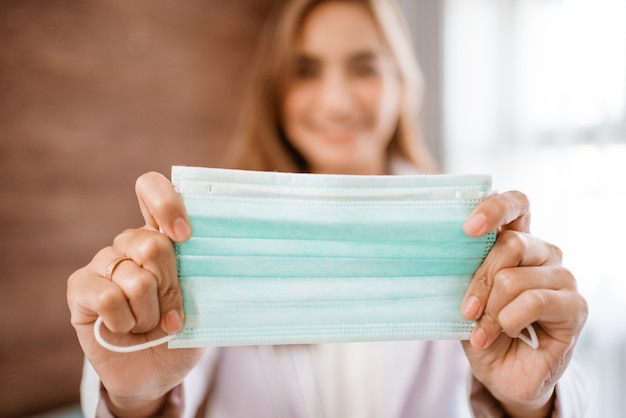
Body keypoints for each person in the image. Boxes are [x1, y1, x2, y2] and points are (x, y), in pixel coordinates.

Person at [67, 0, 589, 416]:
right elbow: (161, 375)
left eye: (363, 67)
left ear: (401, 83)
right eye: (306, 70)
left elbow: (536, 377)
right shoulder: (206, 230)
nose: (336, 101)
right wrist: (136, 400)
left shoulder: (477, 232)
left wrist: (532, 405)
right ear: (276, 91)